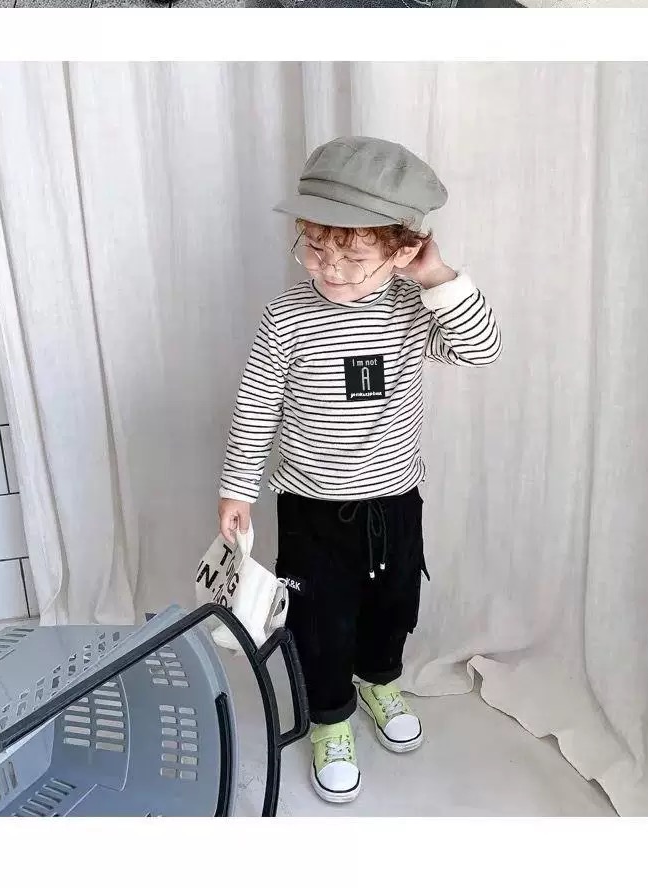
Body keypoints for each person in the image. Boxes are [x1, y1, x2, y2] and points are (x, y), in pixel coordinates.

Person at [218, 136, 502, 804]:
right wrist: (237, 489)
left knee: (392, 606)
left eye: (354, 257)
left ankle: (379, 682)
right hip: (312, 511)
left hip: (395, 503)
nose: (332, 270)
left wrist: (437, 277)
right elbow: (255, 406)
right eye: (317, 248)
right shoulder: (287, 317)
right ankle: (329, 718)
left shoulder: (414, 307)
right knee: (320, 621)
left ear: (402, 250)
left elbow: (481, 348)